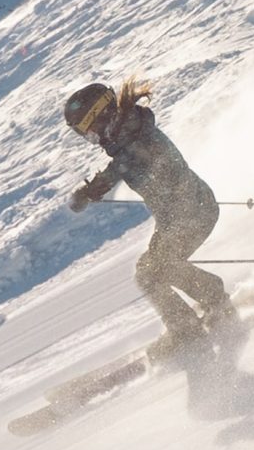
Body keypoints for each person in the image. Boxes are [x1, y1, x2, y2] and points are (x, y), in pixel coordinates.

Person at [66, 78, 237, 353]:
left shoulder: (134, 136)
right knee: (147, 271)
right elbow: (122, 161)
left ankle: (201, 313)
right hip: (179, 217)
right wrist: (92, 189)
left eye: (90, 130)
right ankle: (189, 321)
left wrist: (94, 189)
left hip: (192, 213)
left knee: (155, 271)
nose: (92, 139)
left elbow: (132, 161)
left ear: (102, 115)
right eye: (85, 134)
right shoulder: (128, 134)